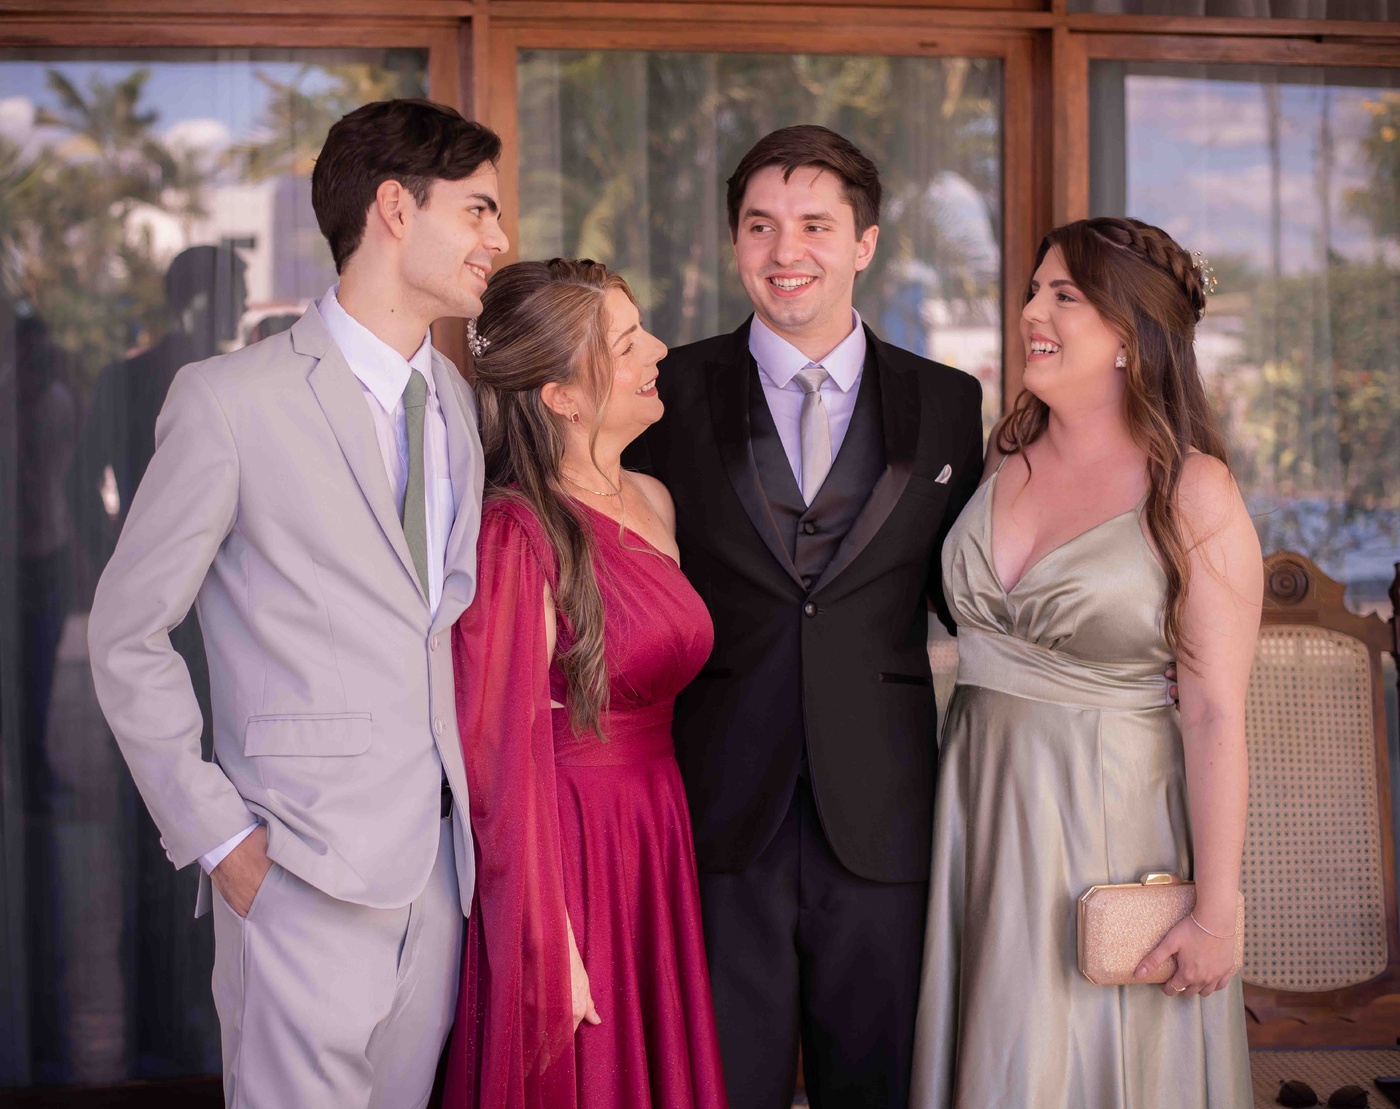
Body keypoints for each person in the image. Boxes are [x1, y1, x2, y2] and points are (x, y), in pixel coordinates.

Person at [86, 98, 508, 1108]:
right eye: (478, 209)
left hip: (438, 872)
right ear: (396, 208)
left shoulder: (454, 400)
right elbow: (127, 632)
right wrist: (219, 838)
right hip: (297, 870)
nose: (498, 238)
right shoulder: (229, 400)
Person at [626, 125, 984, 1108]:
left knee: (877, 1084)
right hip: (713, 803)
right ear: (734, 241)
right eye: (760, 226)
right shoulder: (664, 391)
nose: (786, 251)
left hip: (884, 810)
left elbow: (970, 594)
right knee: (715, 1085)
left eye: (815, 225)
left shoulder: (949, 403)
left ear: (864, 242)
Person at [909, 216, 1259, 1107]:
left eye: (1065, 295)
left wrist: (1216, 911)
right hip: (981, 805)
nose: (1033, 310)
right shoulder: (1002, 455)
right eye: (1035, 290)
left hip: (1112, 820)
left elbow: (1214, 711)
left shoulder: (1195, 491)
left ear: (1130, 336)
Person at [443, 258, 728, 1109]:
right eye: (628, 343)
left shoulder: (654, 498)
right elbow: (497, 763)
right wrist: (544, 940)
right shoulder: (515, 531)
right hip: (572, 846)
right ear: (562, 395)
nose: (659, 350)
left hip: (654, 828)